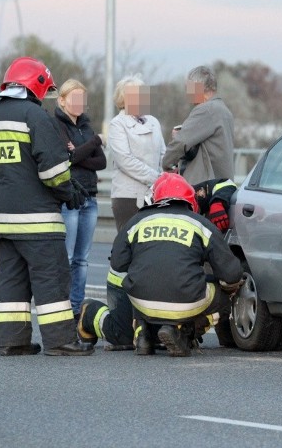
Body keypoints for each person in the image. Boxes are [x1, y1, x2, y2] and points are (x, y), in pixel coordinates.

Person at [0, 56, 93, 356]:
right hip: (38, 221)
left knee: (11, 280)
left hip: (1, 220)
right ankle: (60, 341)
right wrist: (68, 192)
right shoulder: (35, 116)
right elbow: (54, 170)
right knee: (52, 276)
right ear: (38, 85)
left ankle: (12, 341)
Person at [76, 176, 239, 349]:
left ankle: (143, 329)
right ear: (192, 202)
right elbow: (232, 274)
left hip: (138, 298)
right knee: (225, 292)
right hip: (182, 299)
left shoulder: (136, 221)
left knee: (128, 326)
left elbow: (118, 263)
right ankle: (90, 314)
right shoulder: (202, 224)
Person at [53, 79, 106, 318]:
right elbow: (68, 158)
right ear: (62, 100)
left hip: (90, 197)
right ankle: (62, 309)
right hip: (69, 198)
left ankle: (76, 310)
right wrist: (94, 142)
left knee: (82, 260)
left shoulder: (86, 126)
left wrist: (78, 153)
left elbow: (101, 162)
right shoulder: (57, 125)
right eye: (73, 98)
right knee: (68, 256)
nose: (78, 103)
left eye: (81, 99)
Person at [108, 74, 165, 230]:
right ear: (124, 99)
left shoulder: (154, 122)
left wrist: (167, 174)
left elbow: (163, 153)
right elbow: (125, 160)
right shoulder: (117, 124)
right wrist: (157, 178)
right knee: (128, 244)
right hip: (128, 196)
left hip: (155, 194)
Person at [162, 65, 235, 184]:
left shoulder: (205, 110)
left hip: (205, 189)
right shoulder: (224, 111)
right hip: (222, 186)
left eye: (189, 88)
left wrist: (166, 164)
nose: (187, 93)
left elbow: (181, 143)